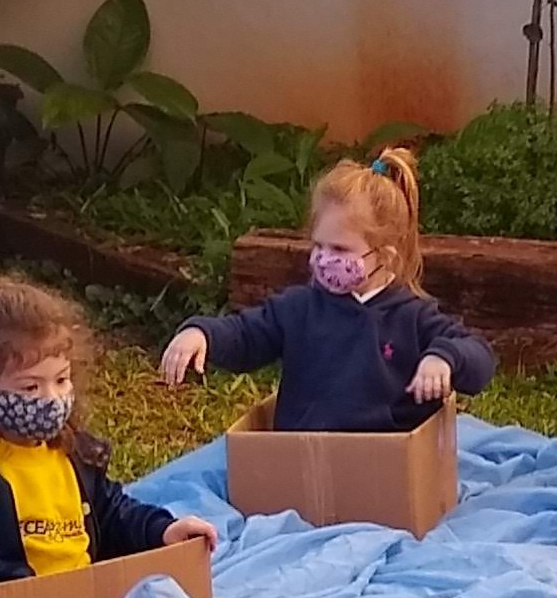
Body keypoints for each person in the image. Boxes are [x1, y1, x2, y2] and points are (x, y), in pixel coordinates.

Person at [0, 274, 217, 598]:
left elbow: (113, 512)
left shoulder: (76, 452)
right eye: (30, 387)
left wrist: (162, 530)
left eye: (61, 380)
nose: (51, 398)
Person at [158, 149, 491, 431]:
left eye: (340, 249)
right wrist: (202, 334)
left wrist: (443, 358)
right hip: (305, 459)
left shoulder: (413, 316)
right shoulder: (297, 308)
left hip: (386, 464)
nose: (324, 258)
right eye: (319, 245)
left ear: (385, 257)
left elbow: (479, 356)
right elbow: (245, 334)